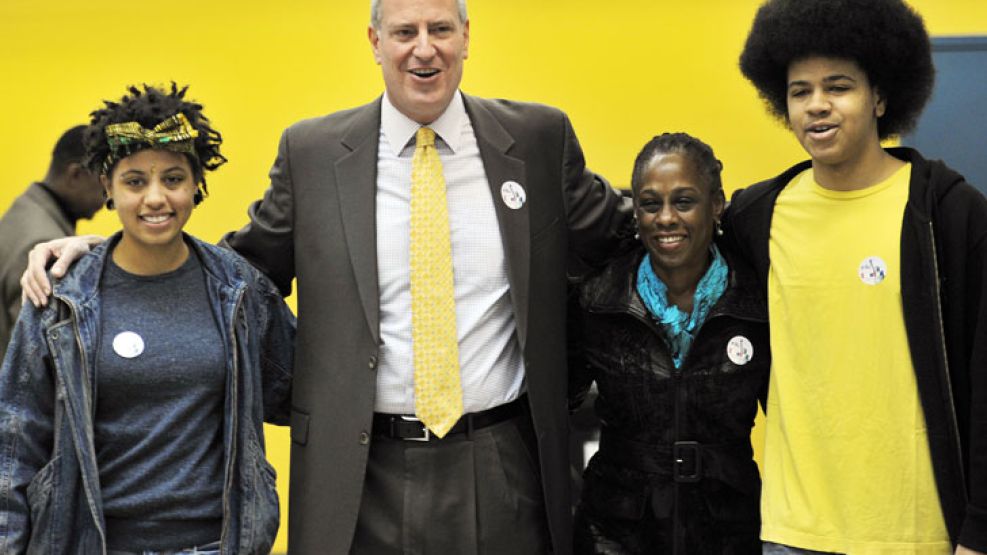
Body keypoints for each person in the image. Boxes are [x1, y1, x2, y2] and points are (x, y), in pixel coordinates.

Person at [20, 0, 634, 552]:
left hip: (504, 460)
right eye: (404, 31)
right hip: (358, 469)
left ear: (467, 37)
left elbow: (619, 235)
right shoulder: (312, 153)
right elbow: (239, 269)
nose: (424, 48)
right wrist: (112, 250)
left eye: (441, 29)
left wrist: (718, 222)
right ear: (374, 41)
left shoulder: (535, 138)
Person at [725, 0, 987, 553]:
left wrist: (979, 530)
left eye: (838, 87)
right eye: (800, 92)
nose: (817, 106)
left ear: (881, 98)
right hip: (793, 534)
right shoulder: (758, 217)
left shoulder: (950, 214)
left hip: (919, 535)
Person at [0, 84, 296, 554]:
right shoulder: (61, 298)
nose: (155, 198)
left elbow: (303, 394)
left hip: (214, 546)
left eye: (173, 179)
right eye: (134, 181)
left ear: (196, 184)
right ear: (108, 188)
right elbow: (14, 445)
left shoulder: (240, 291)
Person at [569, 133, 768, 554]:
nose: (665, 218)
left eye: (683, 201)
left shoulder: (756, 303)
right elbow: (554, 412)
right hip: (616, 534)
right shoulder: (597, 300)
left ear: (715, 205)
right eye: (650, 203)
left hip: (729, 530)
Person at [0, 125, 103, 360]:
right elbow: (41, 357)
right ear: (76, 174)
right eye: (103, 182)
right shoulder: (44, 244)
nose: (109, 196)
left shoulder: (24, 210)